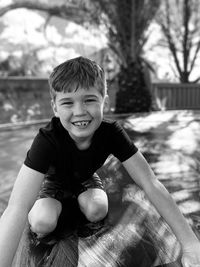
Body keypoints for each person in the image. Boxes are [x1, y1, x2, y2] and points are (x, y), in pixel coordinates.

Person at [0, 56, 200, 267]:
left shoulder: (111, 133)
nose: (79, 111)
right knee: (43, 221)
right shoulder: (47, 139)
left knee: (97, 210)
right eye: (68, 102)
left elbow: (150, 182)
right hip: (53, 185)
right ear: (55, 108)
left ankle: (75, 204)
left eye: (89, 100)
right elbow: (17, 206)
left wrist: (189, 244)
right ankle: (55, 207)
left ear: (105, 101)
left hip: (86, 180)